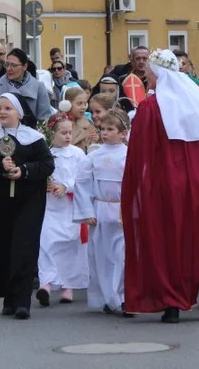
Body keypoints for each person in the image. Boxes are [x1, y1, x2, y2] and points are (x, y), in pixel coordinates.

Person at [121, 49, 199, 322]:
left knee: (170, 238)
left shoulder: (151, 107)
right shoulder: (197, 102)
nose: (147, 78)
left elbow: (140, 154)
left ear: (158, 73)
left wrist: (139, 188)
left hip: (166, 185)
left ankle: (173, 303)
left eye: (149, 73)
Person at [0, 94, 55, 319]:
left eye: (7, 108)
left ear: (19, 112)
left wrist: (24, 170)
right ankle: (8, 299)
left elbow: (47, 164)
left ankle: (22, 301)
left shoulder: (34, 138)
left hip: (29, 200)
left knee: (24, 246)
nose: (2, 112)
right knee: (3, 246)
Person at [73, 108, 130, 314]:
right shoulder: (94, 156)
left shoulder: (130, 155)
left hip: (122, 211)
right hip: (101, 209)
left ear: (123, 133)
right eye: (103, 129)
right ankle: (109, 297)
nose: (105, 133)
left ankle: (122, 296)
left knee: (122, 255)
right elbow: (82, 183)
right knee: (102, 256)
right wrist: (87, 210)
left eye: (110, 129)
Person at [37, 116, 88, 307]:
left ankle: (68, 286)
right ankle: (47, 283)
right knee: (47, 243)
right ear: (52, 133)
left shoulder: (77, 154)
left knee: (70, 245)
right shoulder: (46, 154)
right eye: (63, 133)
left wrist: (66, 187)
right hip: (50, 208)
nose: (68, 136)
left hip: (70, 208)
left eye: (70, 132)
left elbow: (83, 180)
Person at [0, 48, 54, 132]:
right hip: (1, 139)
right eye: (7, 65)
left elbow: (45, 121)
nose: (9, 69)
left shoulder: (39, 87)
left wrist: (38, 141)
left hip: (30, 138)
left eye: (14, 65)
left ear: (24, 66)